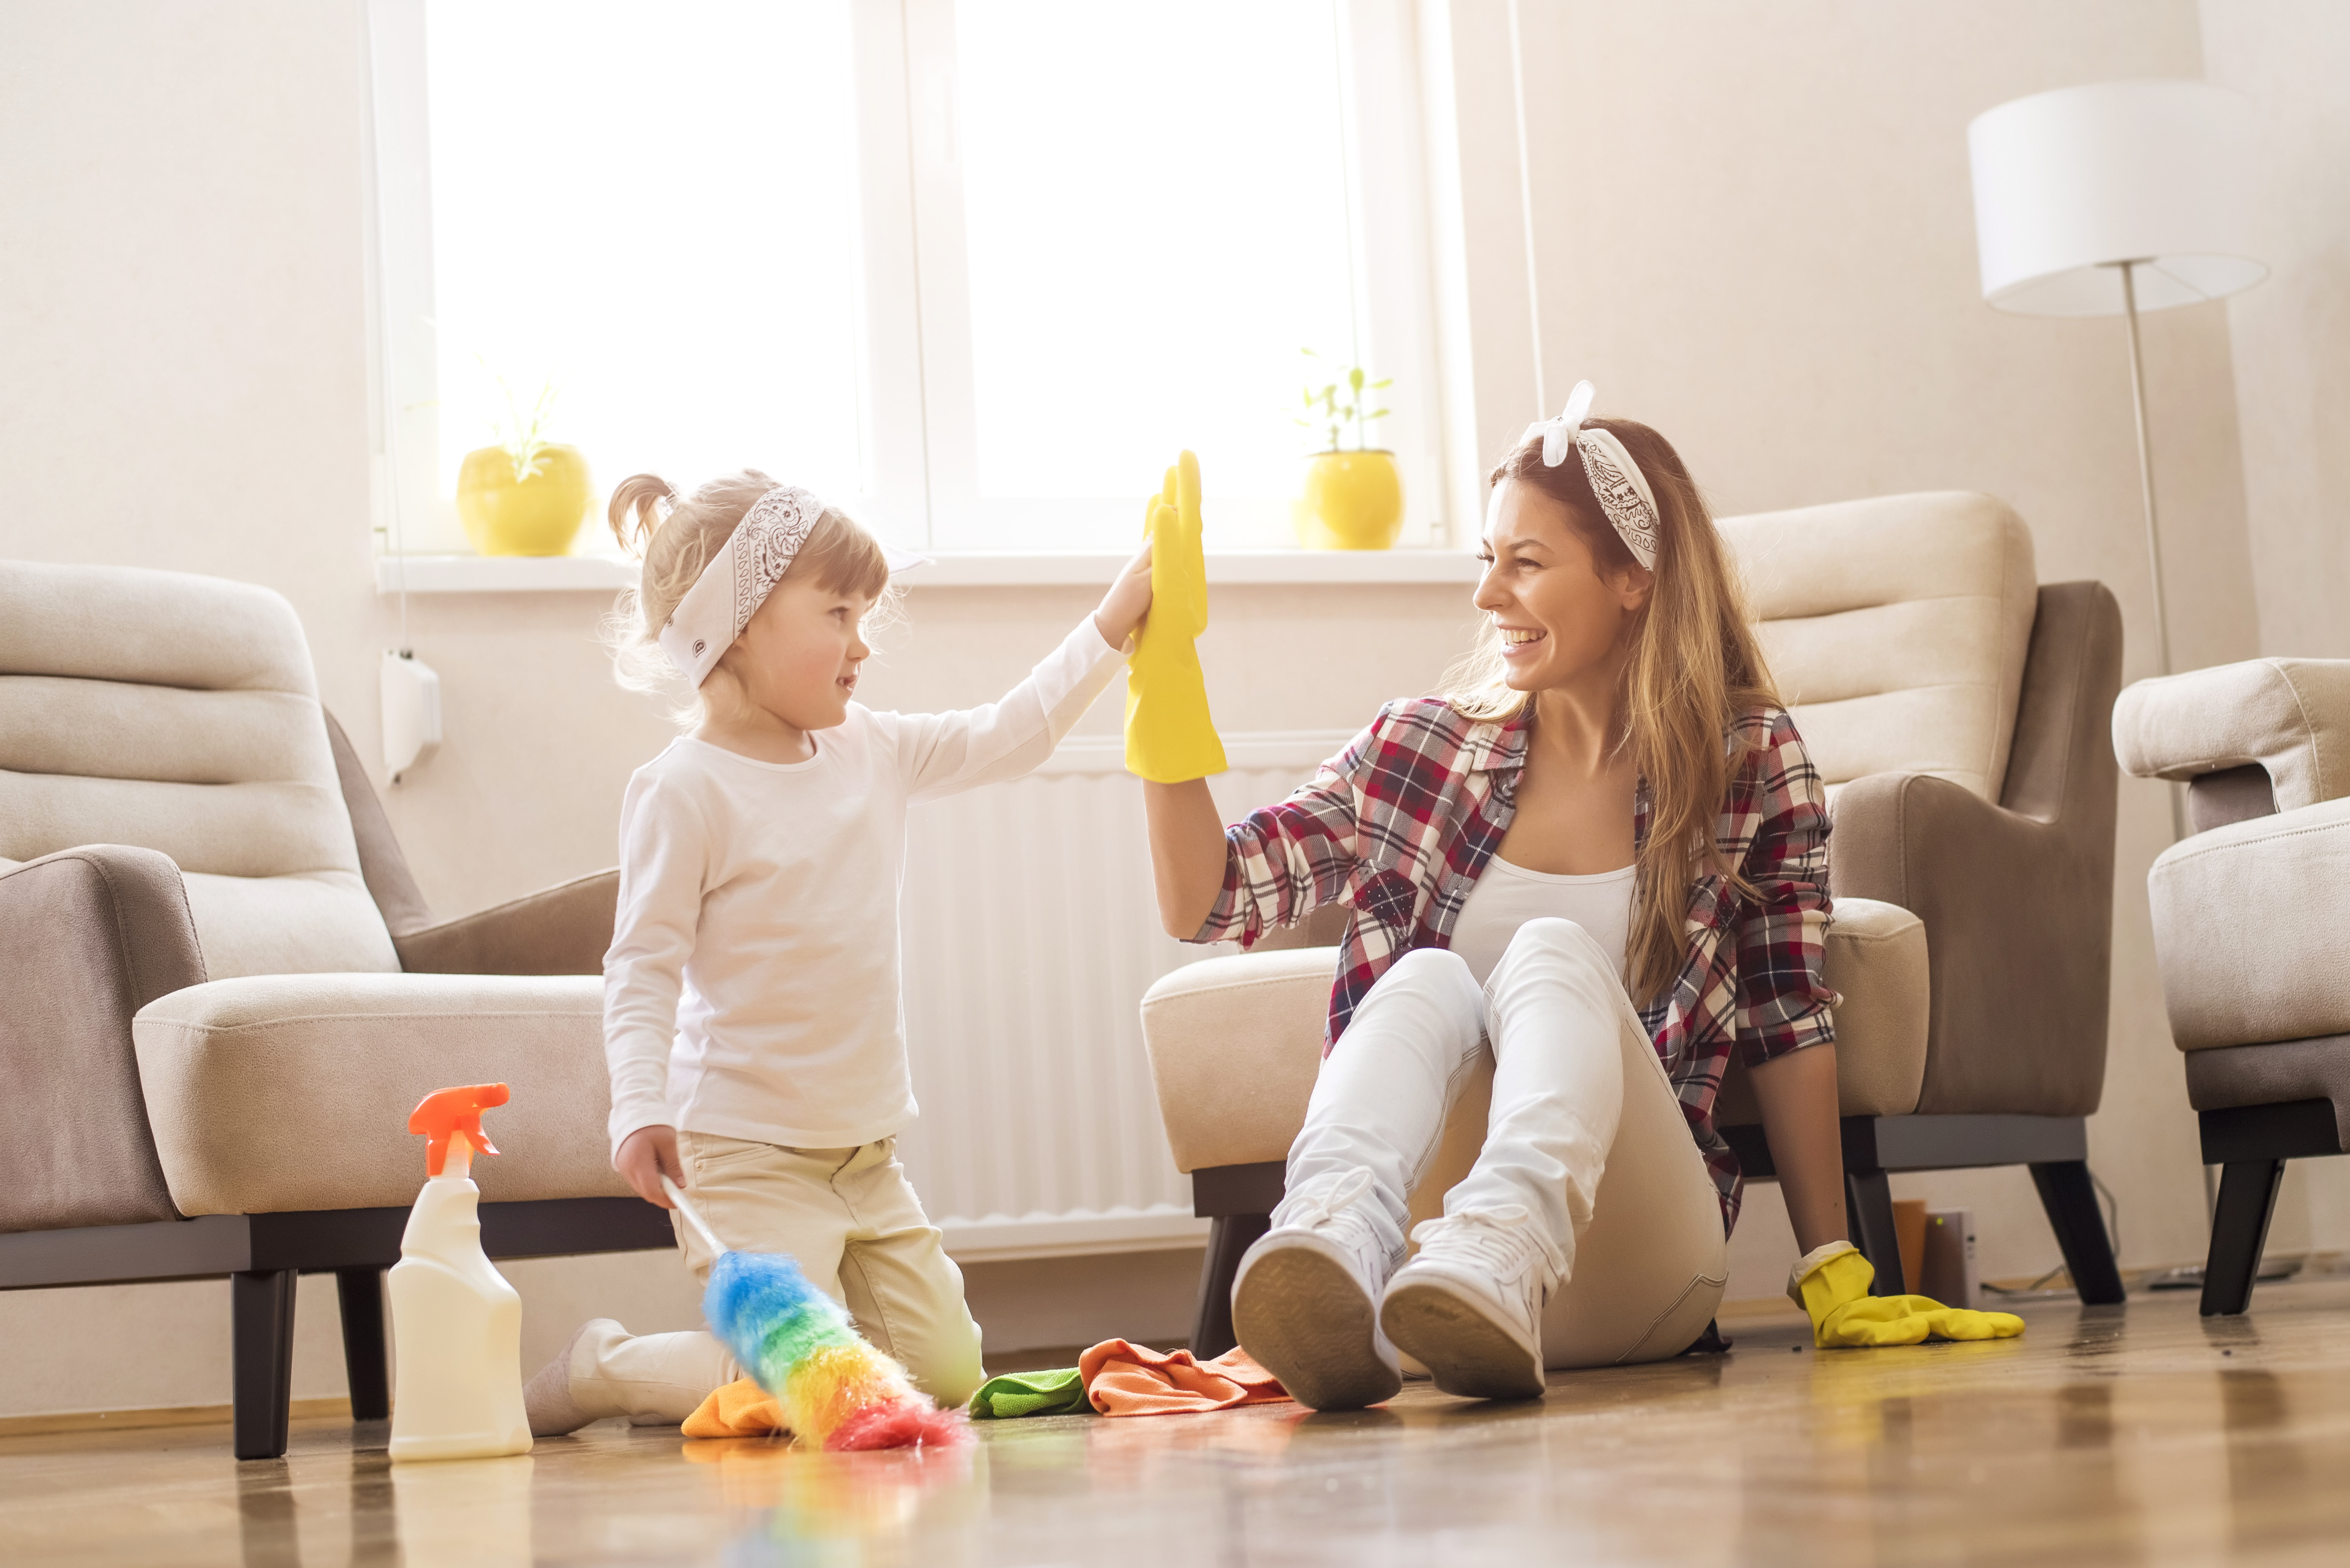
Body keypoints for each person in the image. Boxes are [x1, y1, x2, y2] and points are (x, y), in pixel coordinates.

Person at [1134, 385, 2013, 1412]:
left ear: (1632, 578)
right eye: (1484, 559)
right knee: (1419, 980)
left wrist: (1832, 1263)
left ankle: (1506, 1241)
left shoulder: (1747, 760)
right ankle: (1327, 1235)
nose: (1485, 594)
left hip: (1631, 1266)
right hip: (1419, 1291)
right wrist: (1165, 688)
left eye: (1526, 561)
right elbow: (1211, 899)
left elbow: (1786, 1013)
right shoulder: (1420, 750)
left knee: (1549, 953)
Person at [524, 470, 1152, 1436]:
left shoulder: (873, 750)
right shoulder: (685, 789)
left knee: (946, 1373)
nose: (864, 644)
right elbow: (642, 965)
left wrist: (1114, 622)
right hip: (741, 1155)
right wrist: (639, 1105)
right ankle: (603, 1366)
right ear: (737, 627)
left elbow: (1011, 733)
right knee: (793, 1385)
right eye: (840, 613)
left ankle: (802, 1352)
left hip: (864, 1153)